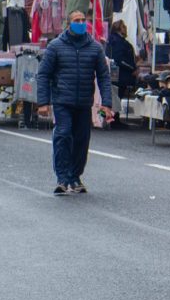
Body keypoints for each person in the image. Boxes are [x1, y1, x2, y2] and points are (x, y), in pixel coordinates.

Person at [37, 10, 113, 195]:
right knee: (63, 135)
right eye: (76, 20)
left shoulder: (95, 48)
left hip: (84, 103)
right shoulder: (55, 46)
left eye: (83, 20)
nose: (80, 23)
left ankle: (75, 176)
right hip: (62, 101)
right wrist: (43, 102)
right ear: (68, 24)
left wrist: (107, 104)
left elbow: (103, 77)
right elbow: (44, 74)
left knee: (81, 140)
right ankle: (62, 178)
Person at [107, 20, 137, 98]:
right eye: (123, 26)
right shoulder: (118, 42)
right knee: (117, 99)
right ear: (118, 29)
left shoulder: (113, 40)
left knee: (115, 98)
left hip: (116, 75)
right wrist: (132, 68)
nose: (126, 28)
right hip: (120, 76)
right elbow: (119, 59)